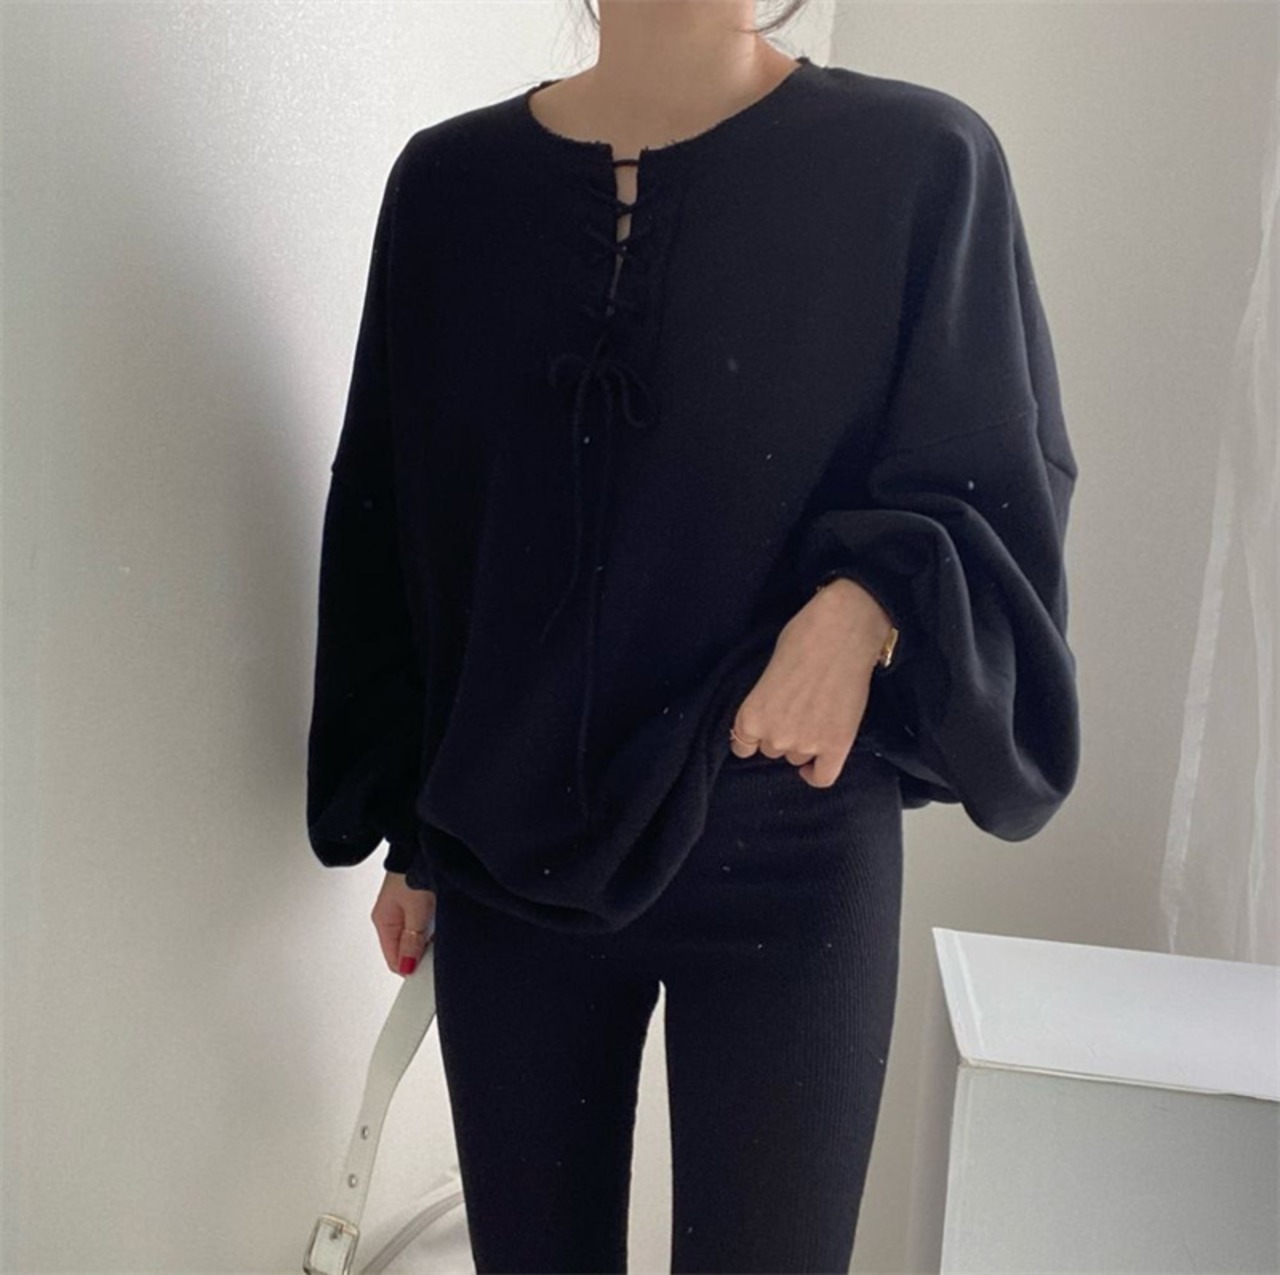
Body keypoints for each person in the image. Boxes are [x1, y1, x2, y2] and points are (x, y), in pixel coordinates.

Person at [306, 1, 1080, 1269]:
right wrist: (410, 828)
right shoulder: (449, 186)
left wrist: (864, 606)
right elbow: (398, 514)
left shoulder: (918, 162)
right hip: (507, 849)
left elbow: (996, 472)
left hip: (788, 846)